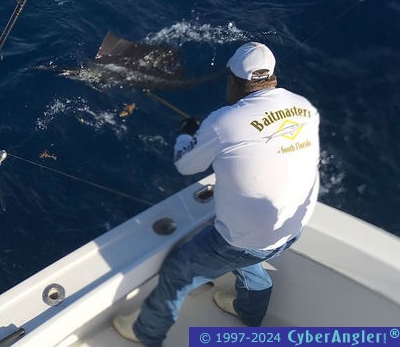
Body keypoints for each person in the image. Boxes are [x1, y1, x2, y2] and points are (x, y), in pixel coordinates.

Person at [112, 42, 320, 346]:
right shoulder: (305, 107)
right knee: (248, 254)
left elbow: (186, 164)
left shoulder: (224, 120)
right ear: (272, 77)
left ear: (235, 81)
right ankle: (249, 313)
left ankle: (147, 331)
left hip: (248, 239)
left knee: (180, 269)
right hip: (292, 228)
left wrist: (188, 132)